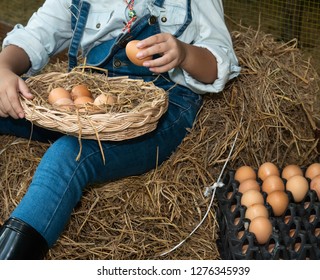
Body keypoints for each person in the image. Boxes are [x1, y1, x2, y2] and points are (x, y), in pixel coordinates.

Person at [0, 0, 240, 259]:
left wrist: (184, 53)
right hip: (89, 102)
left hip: (159, 113)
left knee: (70, 155)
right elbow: (34, 36)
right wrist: (3, 68)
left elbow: (219, 64)